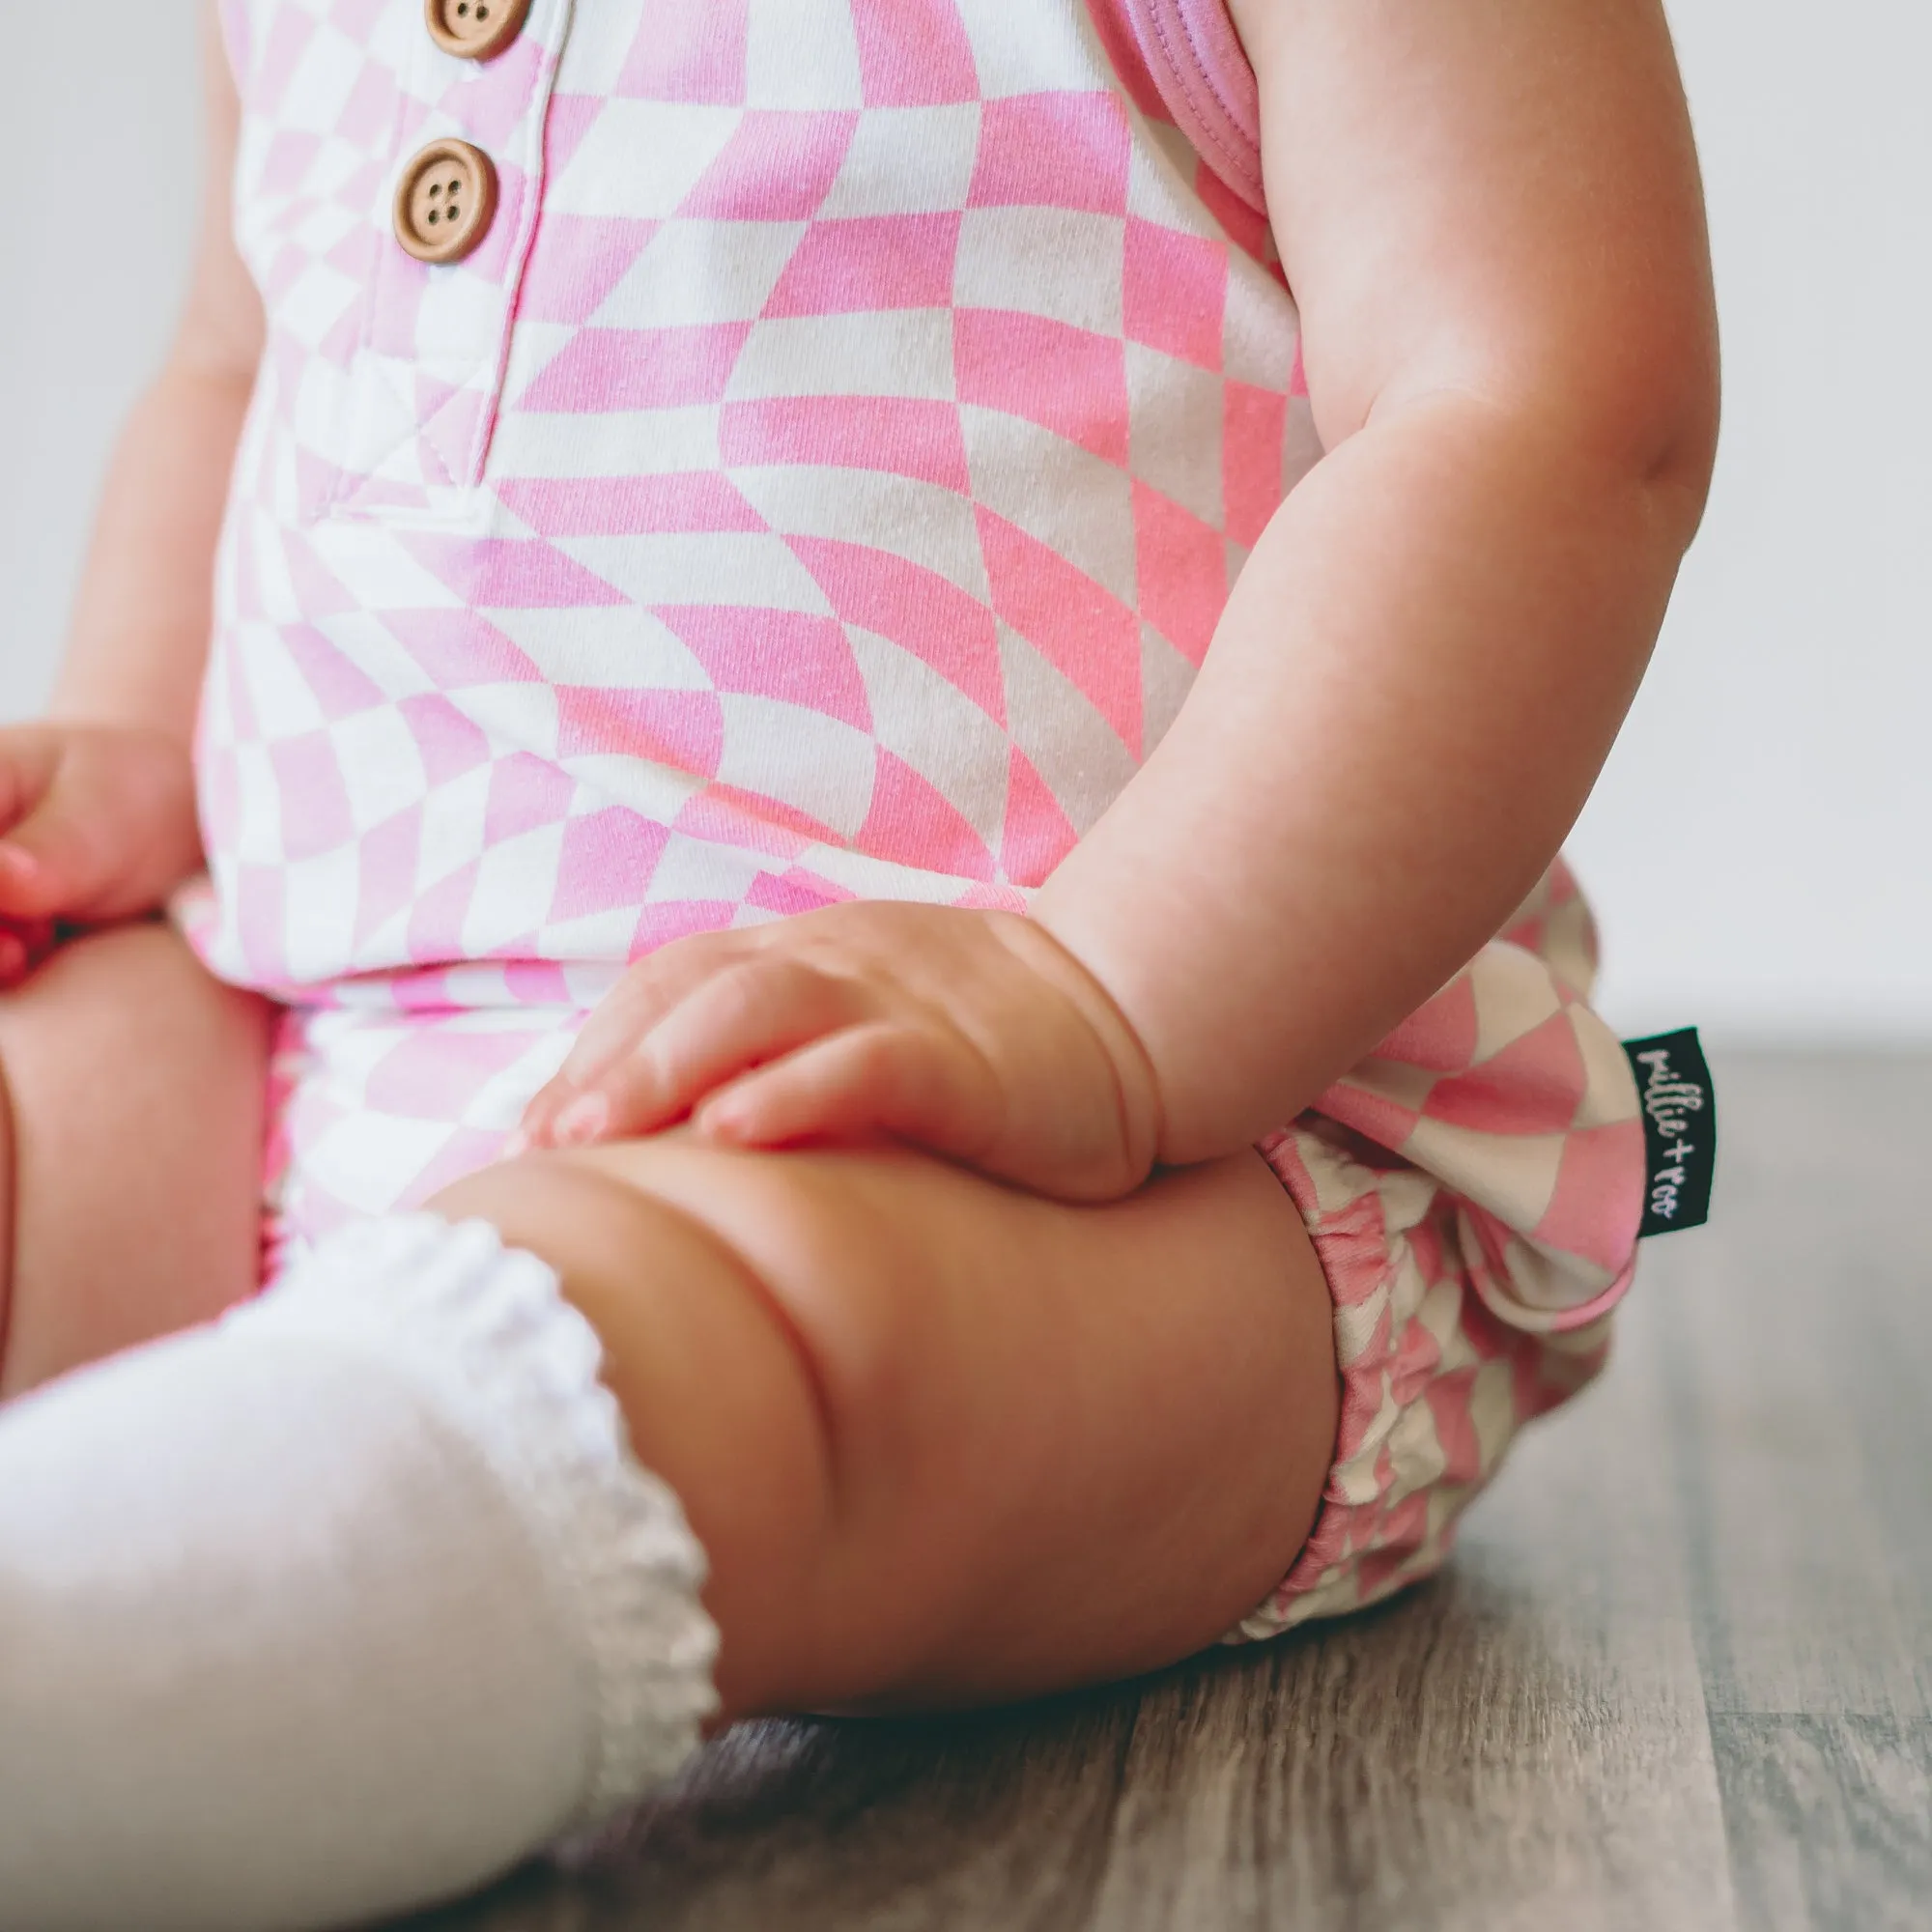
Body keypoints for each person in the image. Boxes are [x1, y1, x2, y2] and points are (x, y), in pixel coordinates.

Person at [0, 1, 1718, 1924]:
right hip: (309, 1006)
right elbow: (238, 353)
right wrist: (138, 739)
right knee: (41, 1092)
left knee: (746, 1315)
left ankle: (91, 1686)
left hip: (1142, 1111)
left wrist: (1107, 1003)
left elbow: (1541, 399)